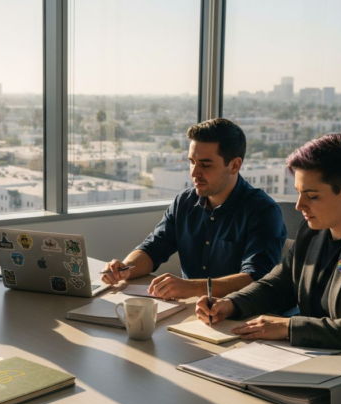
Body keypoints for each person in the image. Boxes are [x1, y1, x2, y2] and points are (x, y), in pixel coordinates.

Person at [197, 134, 341, 356]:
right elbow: (277, 284)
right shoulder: (312, 231)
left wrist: (289, 327)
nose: (299, 205)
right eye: (298, 193)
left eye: (312, 196)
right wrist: (230, 304)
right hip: (315, 355)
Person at [101, 118, 287, 301]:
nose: (194, 172)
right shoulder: (185, 202)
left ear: (234, 165)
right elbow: (153, 249)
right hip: (194, 312)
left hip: (242, 318)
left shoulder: (263, 211)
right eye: (192, 162)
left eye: (205, 165)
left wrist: (192, 288)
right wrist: (124, 269)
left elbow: (255, 279)